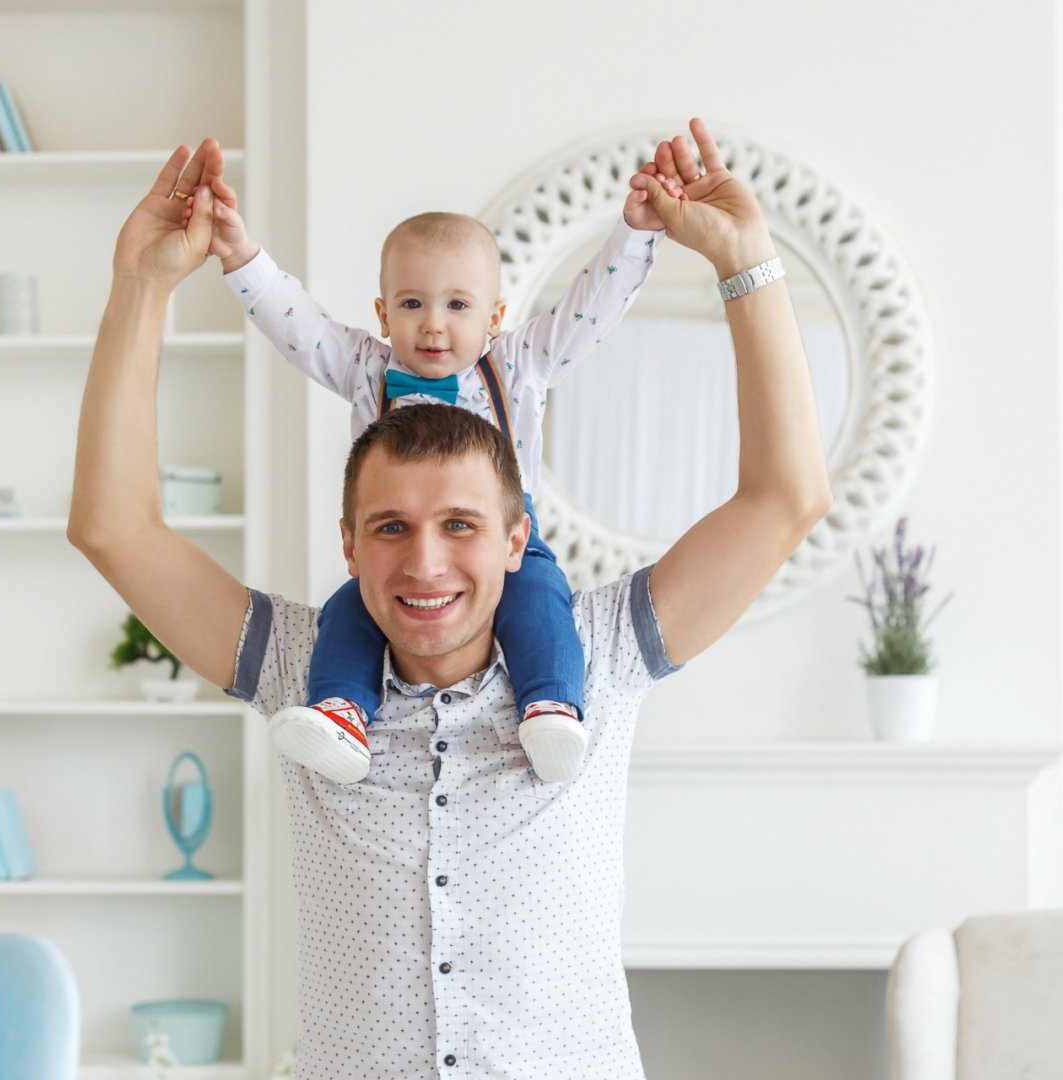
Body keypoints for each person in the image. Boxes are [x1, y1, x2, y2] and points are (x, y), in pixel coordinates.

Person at [69, 119, 832, 1079]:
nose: (425, 563)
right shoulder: (302, 672)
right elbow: (115, 528)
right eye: (391, 527)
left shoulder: (599, 651)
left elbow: (784, 498)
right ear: (349, 543)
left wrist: (748, 263)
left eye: (461, 526)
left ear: (519, 537)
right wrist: (141, 287)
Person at [184, 162, 665, 788]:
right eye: (412, 304)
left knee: (541, 601)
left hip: (504, 543)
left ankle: (549, 706)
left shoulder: (519, 364)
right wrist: (239, 254)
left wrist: (633, 236)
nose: (433, 323)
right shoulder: (365, 369)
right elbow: (295, 326)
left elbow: (589, 312)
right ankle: (344, 714)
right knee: (348, 612)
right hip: (397, 542)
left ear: (494, 316)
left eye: (457, 305)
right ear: (384, 314)